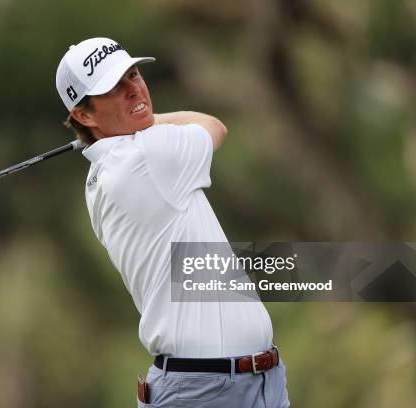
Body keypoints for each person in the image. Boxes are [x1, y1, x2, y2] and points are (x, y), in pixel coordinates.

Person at [55, 37, 289, 408]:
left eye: (133, 75)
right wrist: (147, 121)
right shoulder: (146, 157)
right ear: (84, 115)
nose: (133, 89)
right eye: (114, 88)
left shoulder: (104, 174)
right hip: (207, 391)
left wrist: (127, 124)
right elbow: (214, 126)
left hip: (254, 383)